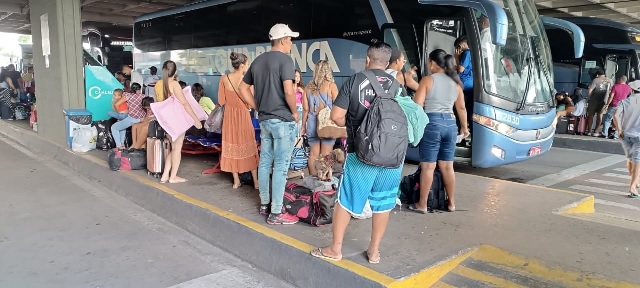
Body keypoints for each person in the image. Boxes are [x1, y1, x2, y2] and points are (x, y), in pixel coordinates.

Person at [310, 41, 403, 264]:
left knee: (346, 201)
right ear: (388, 62)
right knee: (383, 203)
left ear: (368, 59)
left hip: (360, 154)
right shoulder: (397, 84)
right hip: (392, 155)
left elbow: (336, 116)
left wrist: (351, 125)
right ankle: (374, 252)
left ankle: (335, 249)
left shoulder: (355, 81)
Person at [237, 23, 300, 225]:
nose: (291, 42)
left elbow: (242, 88)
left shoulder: (258, 61)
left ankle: (265, 204)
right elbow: (289, 91)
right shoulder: (285, 60)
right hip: (282, 120)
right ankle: (276, 212)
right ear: (282, 40)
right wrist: (294, 113)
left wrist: (258, 106)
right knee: (281, 166)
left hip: (264, 120)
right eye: (290, 39)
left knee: (265, 162)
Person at [409, 49, 470, 214]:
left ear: (433, 63)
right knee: (447, 166)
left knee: (428, 166)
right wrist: (464, 128)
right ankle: (451, 203)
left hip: (432, 123)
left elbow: (417, 105)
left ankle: (422, 204)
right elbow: (461, 108)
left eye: (429, 62)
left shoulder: (428, 80)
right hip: (451, 124)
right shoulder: (456, 82)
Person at [150, 60, 205, 184]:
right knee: (177, 148)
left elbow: (158, 102)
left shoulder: (158, 84)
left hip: (164, 121)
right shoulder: (174, 84)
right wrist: (196, 119)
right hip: (176, 120)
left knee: (173, 148)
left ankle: (165, 175)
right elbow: (185, 103)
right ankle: (173, 176)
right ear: (175, 71)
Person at [218, 52, 259, 189]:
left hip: (230, 117)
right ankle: (256, 182)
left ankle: (236, 181)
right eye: (247, 64)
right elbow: (250, 102)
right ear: (242, 65)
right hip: (243, 116)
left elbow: (221, 101)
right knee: (249, 145)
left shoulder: (224, 78)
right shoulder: (247, 81)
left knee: (232, 146)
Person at [302, 60, 339, 176]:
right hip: (326, 124)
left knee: (313, 155)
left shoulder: (308, 88)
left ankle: (313, 180)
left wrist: (303, 126)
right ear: (328, 71)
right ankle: (323, 182)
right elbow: (337, 106)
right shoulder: (331, 86)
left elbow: (305, 109)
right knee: (326, 155)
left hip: (312, 123)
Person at [613, 80, 640, 198]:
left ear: (631, 90)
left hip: (625, 135)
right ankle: (633, 186)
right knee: (638, 160)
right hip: (638, 135)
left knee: (630, 158)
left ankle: (635, 181)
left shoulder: (624, 102)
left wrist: (619, 129)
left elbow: (615, 115)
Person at [111, 83, 147, 149]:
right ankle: (122, 144)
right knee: (122, 127)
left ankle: (119, 146)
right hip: (142, 118)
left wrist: (119, 113)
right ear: (140, 89)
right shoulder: (144, 96)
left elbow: (116, 104)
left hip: (132, 119)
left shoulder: (128, 95)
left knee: (114, 127)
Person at [584, 70, 613, 136]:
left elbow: (590, 90)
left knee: (590, 115)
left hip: (594, 100)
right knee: (600, 116)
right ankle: (596, 132)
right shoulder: (610, 81)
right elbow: (611, 91)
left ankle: (589, 131)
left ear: (597, 75)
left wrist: (586, 98)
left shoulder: (596, 80)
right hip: (604, 101)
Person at [294, 69, 305, 135]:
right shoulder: (288, 88)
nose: (298, 78)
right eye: (296, 76)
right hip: (292, 110)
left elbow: (304, 104)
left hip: (300, 109)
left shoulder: (301, 88)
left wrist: (303, 92)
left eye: (299, 77)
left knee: (299, 130)